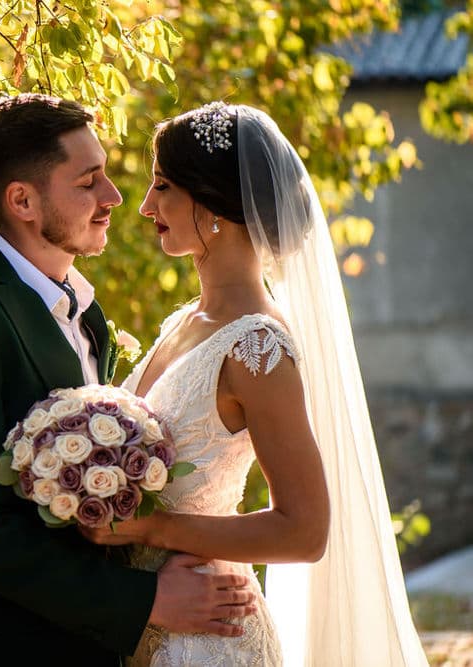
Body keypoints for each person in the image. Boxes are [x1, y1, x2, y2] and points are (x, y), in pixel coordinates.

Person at [0, 94, 258, 666]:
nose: (115, 197)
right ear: (23, 200)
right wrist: (146, 601)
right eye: (88, 181)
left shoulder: (83, 311)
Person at [81, 102, 428, 666]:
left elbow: (305, 532)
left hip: (208, 637)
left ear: (214, 201)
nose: (145, 206)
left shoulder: (257, 347)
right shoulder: (185, 320)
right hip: (148, 621)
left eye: (163, 186)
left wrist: (157, 527)